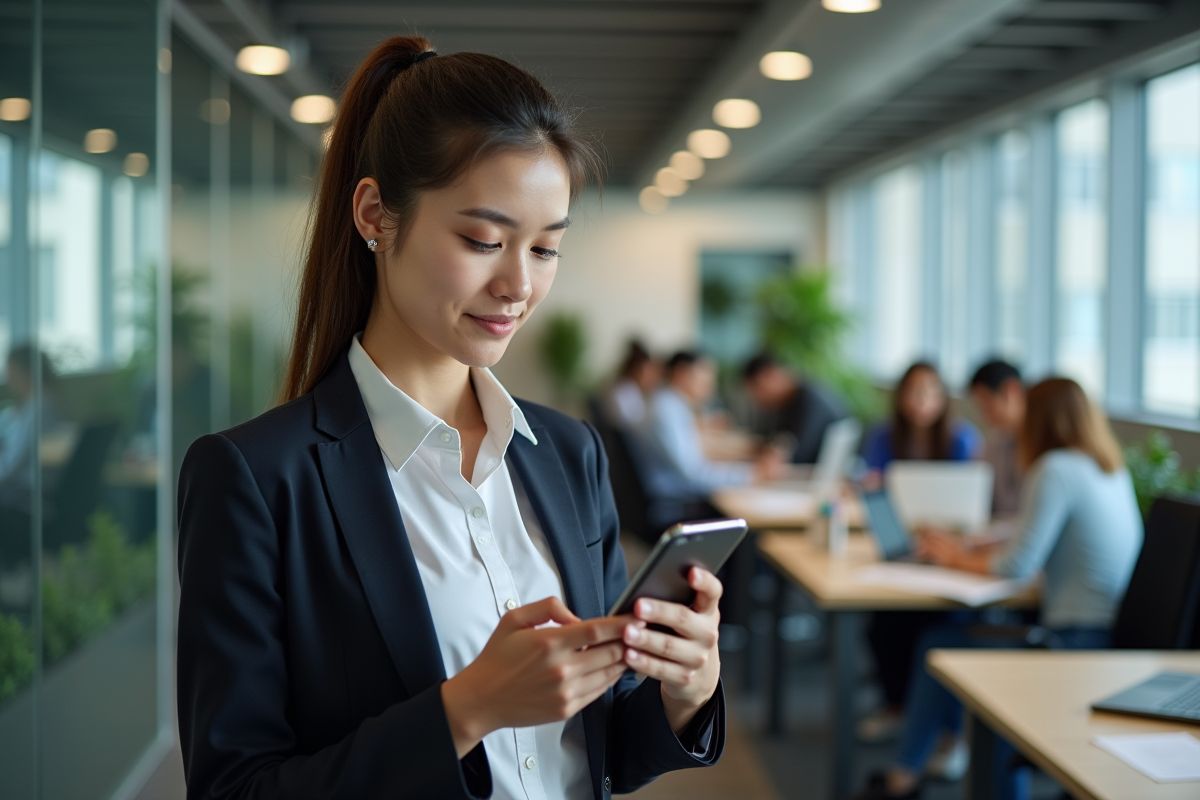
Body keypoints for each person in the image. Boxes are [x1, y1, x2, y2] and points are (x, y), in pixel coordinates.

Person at [176, 37, 726, 800]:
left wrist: (684, 691)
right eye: (483, 240)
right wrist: (464, 710)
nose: (518, 285)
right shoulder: (257, 479)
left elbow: (599, 750)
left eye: (545, 249)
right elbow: (234, 788)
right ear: (375, 214)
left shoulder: (569, 453)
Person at [851, 377, 1143, 800]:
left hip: (1071, 639)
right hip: (1104, 629)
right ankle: (906, 776)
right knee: (949, 635)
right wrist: (973, 545)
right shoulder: (1106, 466)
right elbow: (1036, 537)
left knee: (939, 645)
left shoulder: (1054, 468)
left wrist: (952, 556)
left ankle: (905, 779)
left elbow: (1017, 565)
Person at [860, 361, 981, 752]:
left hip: (951, 552)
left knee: (941, 625)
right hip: (901, 546)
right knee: (883, 627)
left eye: (930, 391)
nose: (921, 400)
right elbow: (873, 488)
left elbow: (974, 504)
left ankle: (950, 733)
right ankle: (896, 707)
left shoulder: (962, 440)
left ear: (944, 398)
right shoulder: (884, 436)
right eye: (913, 391)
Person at [639, 350, 784, 502]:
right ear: (681, 373)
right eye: (705, 378)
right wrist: (754, 473)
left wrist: (747, 458)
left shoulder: (669, 404)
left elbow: (694, 458)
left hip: (672, 494)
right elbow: (694, 474)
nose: (711, 387)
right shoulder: (666, 411)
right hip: (675, 500)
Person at [742, 351, 847, 464]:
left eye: (758, 391)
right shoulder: (783, 402)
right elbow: (768, 439)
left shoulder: (810, 401)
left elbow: (798, 455)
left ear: (769, 375)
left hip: (818, 474)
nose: (758, 399)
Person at [967, 359, 1026, 519]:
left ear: (1010, 391)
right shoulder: (995, 443)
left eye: (986, 403)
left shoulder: (1045, 447)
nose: (984, 415)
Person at [601, 339, 661, 430]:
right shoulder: (624, 393)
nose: (651, 377)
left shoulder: (627, 389)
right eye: (648, 371)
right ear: (637, 370)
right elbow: (633, 427)